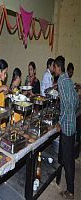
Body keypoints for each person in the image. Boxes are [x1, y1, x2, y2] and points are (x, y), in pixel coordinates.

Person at [55, 56, 79, 199]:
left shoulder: (61, 81)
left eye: (55, 68)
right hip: (72, 123)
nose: (54, 70)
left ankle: (70, 191)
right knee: (67, 157)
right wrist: (70, 116)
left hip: (67, 127)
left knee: (68, 160)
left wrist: (60, 122)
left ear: (58, 67)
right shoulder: (69, 80)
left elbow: (66, 105)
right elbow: (75, 101)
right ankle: (69, 187)